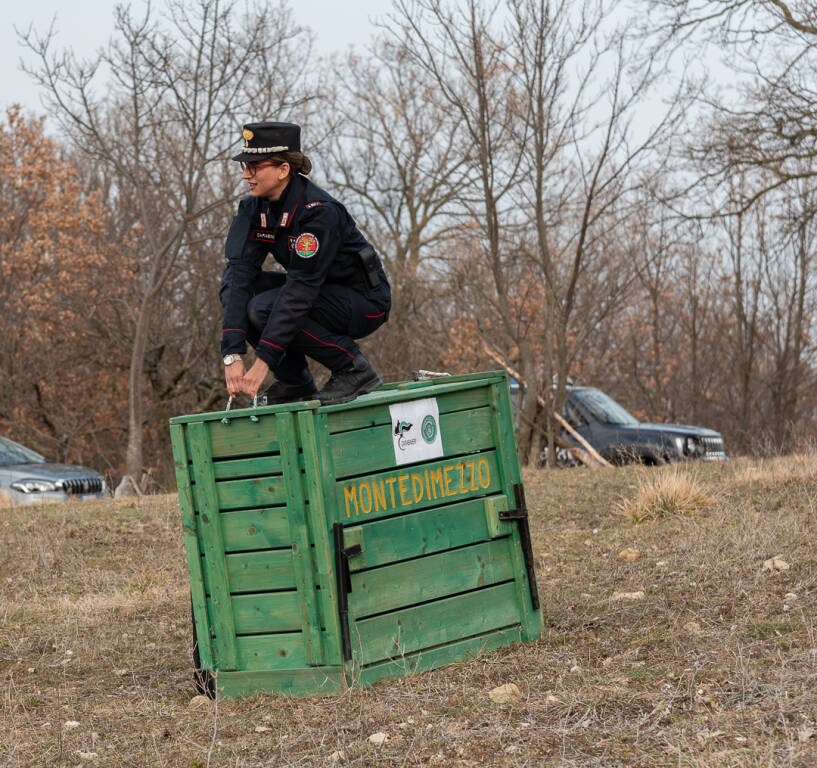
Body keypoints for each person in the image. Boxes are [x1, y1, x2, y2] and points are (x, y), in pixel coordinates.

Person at [220, 121, 390, 405]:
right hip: (316, 292)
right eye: (244, 166)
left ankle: (353, 368)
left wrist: (263, 362)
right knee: (244, 289)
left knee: (264, 308)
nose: (245, 175)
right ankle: (294, 381)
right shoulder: (253, 208)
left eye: (254, 166)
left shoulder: (319, 213)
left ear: (283, 169)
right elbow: (237, 277)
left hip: (364, 302)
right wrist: (232, 354)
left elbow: (300, 291)